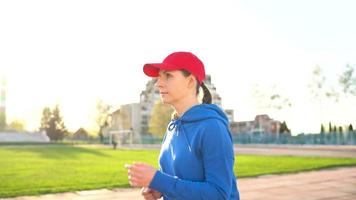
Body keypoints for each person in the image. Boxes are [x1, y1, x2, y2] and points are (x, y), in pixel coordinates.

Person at [125, 51, 240, 200]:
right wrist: (159, 190)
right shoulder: (172, 128)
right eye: (159, 77)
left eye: (168, 76)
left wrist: (159, 180)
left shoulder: (212, 127)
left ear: (190, 82)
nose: (158, 83)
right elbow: (176, 180)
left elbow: (218, 194)